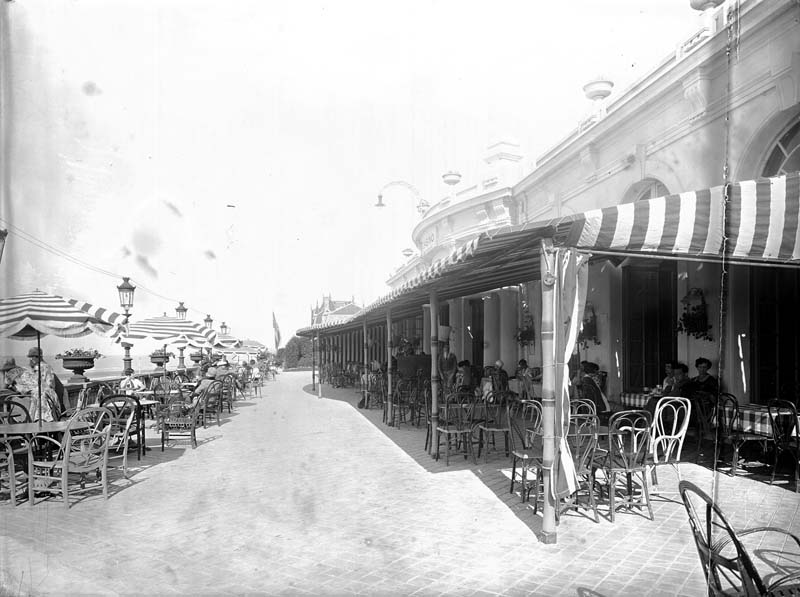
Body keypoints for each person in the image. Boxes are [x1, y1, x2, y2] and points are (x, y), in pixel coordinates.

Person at [14, 347, 59, 421]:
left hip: (44, 395)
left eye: (32, 357)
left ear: (38, 357)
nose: (30, 359)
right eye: (30, 357)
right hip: (45, 394)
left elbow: (40, 383)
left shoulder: (42, 367)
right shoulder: (45, 366)